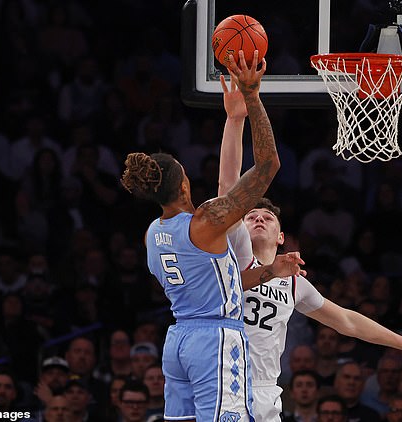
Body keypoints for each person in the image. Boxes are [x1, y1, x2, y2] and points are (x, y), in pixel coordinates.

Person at [216, 68, 402, 422]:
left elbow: (347, 321)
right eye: (251, 215)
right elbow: (227, 189)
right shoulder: (235, 252)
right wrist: (235, 119)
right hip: (225, 383)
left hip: (267, 391)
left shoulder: (293, 282)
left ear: (282, 236)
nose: (258, 218)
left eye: (267, 218)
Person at [121, 50, 302, 422]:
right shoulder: (205, 221)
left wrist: (270, 271)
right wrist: (252, 96)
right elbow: (268, 164)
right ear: (184, 185)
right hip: (215, 341)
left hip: (178, 341)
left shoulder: (152, 234)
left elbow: (219, 284)